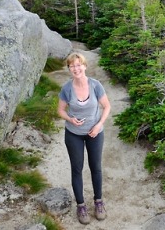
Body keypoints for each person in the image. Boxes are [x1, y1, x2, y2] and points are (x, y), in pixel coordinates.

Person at [57, 52, 111, 224]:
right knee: (77, 169)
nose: (76, 68)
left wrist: (99, 124)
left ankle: (98, 202)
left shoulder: (95, 85)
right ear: (69, 69)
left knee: (96, 167)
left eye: (79, 65)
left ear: (85, 66)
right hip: (73, 134)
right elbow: (60, 110)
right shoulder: (66, 88)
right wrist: (70, 119)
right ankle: (81, 205)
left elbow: (107, 106)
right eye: (72, 66)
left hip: (95, 132)